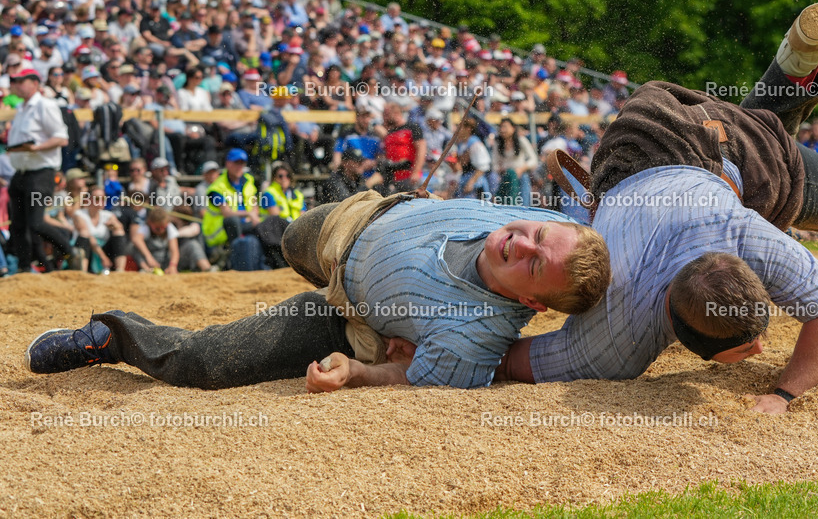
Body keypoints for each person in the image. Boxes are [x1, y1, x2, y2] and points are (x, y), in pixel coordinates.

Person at [500, 0, 818, 413]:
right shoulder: (615, 338)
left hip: (689, 145)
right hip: (631, 145)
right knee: (759, 162)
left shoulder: (621, 336)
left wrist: (785, 395)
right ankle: (816, 73)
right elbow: (509, 360)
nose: (761, 349)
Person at [26, 195, 611, 392]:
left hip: (341, 314)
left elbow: (414, 381)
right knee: (286, 237)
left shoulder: (473, 339)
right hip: (349, 219)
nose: (523, 245)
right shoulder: (538, 218)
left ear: (532, 304)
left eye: (535, 267)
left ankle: (109, 338)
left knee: (205, 362)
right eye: (537, 235)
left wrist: (356, 374)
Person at [5, 68, 71, 273]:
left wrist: (36, 148)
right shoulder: (22, 108)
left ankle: (70, 251)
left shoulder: (45, 105)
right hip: (22, 172)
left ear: (34, 83)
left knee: (35, 223)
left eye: (19, 80)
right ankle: (25, 269)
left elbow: (61, 138)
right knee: (18, 225)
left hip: (41, 172)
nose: (15, 84)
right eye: (13, 81)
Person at [201, 148, 260, 248]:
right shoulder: (217, 187)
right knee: (233, 221)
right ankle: (238, 254)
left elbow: (255, 204)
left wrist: (253, 216)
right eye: (236, 163)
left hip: (247, 224)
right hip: (222, 231)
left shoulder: (248, 180)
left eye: (242, 163)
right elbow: (227, 213)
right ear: (228, 164)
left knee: (270, 223)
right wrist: (249, 214)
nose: (239, 166)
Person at [129, 206, 212, 274]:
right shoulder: (146, 228)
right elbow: (136, 239)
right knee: (134, 248)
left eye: (163, 227)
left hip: (166, 261)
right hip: (150, 262)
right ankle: (146, 270)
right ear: (150, 223)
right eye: (158, 228)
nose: (161, 230)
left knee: (192, 245)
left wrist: (172, 266)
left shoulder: (169, 228)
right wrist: (149, 258)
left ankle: (207, 269)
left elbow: (174, 251)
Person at [73, 185, 128, 273]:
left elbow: (120, 228)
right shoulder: (79, 214)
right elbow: (88, 236)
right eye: (97, 198)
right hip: (88, 251)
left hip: (103, 250)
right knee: (84, 234)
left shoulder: (107, 215)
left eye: (103, 198)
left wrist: (114, 226)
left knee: (118, 231)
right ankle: (81, 272)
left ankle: (120, 270)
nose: (101, 201)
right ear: (89, 200)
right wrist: (103, 257)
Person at [492, 117, 538, 206]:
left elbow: (533, 159)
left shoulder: (521, 140)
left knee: (522, 178)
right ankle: (511, 205)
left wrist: (522, 168)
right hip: (504, 175)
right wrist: (500, 169)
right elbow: (494, 164)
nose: (502, 130)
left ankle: (521, 206)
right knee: (507, 174)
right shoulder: (497, 143)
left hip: (520, 174)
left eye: (505, 127)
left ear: (513, 128)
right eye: (501, 127)